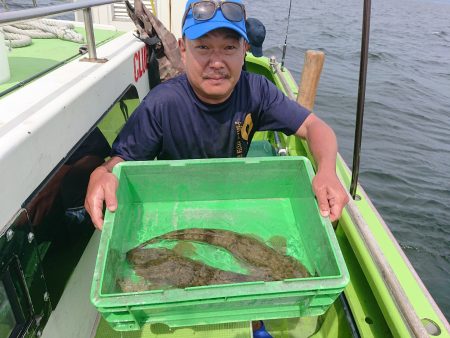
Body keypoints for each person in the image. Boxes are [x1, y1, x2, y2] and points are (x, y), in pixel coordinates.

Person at [85, 0, 349, 232]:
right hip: (179, 207)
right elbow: (120, 161)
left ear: (244, 49)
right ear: (183, 49)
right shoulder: (162, 103)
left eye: (229, 48)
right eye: (203, 47)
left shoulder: (256, 91)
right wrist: (102, 172)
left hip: (232, 199)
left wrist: (326, 171)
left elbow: (314, 126)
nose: (217, 62)